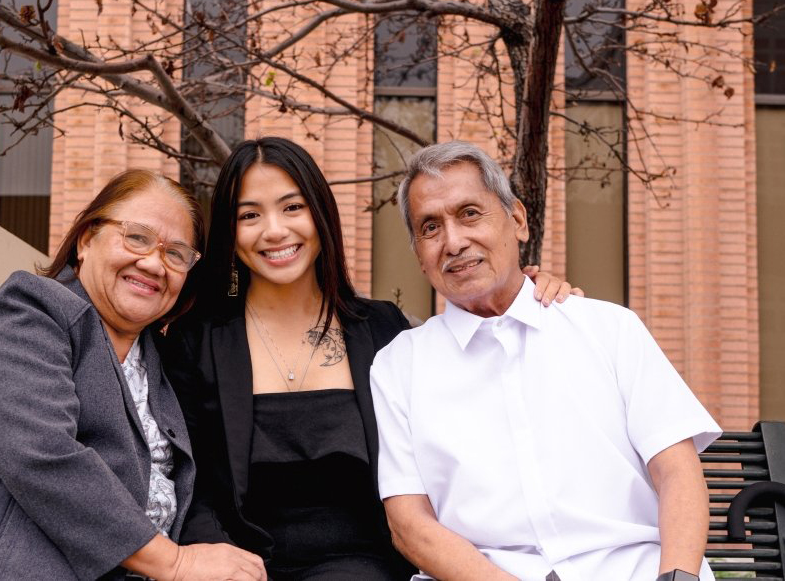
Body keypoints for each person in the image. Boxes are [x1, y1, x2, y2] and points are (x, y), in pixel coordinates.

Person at [162, 137, 576, 580]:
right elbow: (189, 481)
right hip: (239, 569)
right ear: (230, 230)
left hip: (367, 567)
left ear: (320, 214)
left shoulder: (382, 331)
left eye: (292, 207)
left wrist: (525, 297)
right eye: (249, 215)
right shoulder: (196, 340)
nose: (274, 230)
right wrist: (214, 556)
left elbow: (470, 412)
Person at [0, 170, 266, 581]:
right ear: (86, 240)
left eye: (176, 253)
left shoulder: (162, 366)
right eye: (137, 237)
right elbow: (42, 454)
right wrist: (177, 563)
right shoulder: (29, 313)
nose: (152, 263)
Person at [370, 141, 722, 581]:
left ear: (517, 220)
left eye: (469, 213)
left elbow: (677, 473)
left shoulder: (609, 329)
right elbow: (410, 526)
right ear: (420, 257)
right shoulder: (399, 366)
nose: (454, 241)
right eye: (430, 227)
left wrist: (678, 577)